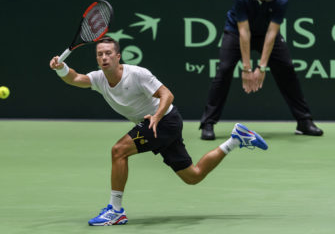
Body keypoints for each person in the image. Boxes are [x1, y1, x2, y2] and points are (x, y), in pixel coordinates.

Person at [50, 36, 268, 226]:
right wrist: (61, 68)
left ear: (118, 56)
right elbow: (76, 78)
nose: (104, 57)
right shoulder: (99, 78)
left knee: (119, 151)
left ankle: (115, 211)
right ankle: (236, 139)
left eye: (108, 53)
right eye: (100, 54)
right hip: (158, 125)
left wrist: (156, 116)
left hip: (164, 120)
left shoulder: (136, 74)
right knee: (193, 176)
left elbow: (167, 95)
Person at [200, 0, 323, 140]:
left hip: (266, 34)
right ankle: (208, 123)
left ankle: (304, 122)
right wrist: (246, 68)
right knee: (225, 69)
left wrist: (262, 67)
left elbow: (272, 34)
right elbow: (244, 32)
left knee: (286, 67)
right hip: (236, 33)